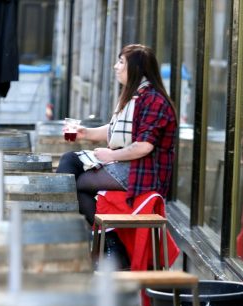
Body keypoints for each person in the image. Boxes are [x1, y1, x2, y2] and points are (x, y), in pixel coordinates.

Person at [57, 44, 177, 266]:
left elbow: (144, 147)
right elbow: (114, 130)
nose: (116, 66)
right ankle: (108, 239)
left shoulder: (153, 100)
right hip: (130, 166)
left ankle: (94, 239)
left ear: (137, 69)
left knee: (72, 180)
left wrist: (110, 156)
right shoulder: (135, 96)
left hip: (142, 173)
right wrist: (86, 132)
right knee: (69, 164)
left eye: (121, 62)